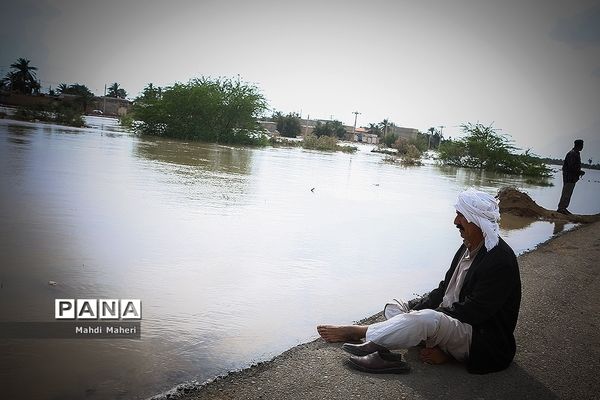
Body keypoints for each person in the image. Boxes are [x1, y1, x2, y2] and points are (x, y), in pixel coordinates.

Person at [317, 189, 521, 374]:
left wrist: (424, 316)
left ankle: (362, 334)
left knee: (424, 320)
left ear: (478, 221)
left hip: (479, 338)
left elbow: (472, 313)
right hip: (451, 320)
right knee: (395, 307)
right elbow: (443, 290)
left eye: (461, 216)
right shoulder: (468, 245)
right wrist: (414, 309)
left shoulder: (500, 260)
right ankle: (422, 339)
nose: (455, 222)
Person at [557, 139, 585, 215]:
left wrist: (579, 172)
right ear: (579, 145)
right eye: (582, 145)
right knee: (566, 192)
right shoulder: (573, 154)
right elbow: (571, 167)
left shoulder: (575, 153)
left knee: (568, 193)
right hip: (569, 177)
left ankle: (563, 208)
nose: (582, 147)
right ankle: (561, 208)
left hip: (571, 177)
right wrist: (580, 172)